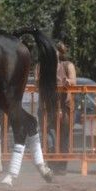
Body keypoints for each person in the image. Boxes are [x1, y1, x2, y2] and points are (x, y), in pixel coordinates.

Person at [35, 41, 77, 175]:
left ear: (59, 53)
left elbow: (73, 82)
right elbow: (36, 84)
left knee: (63, 137)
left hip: (64, 107)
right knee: (47, 137)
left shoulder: (67, 65)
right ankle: (50, 165)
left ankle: (61, 166)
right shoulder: (40, 66)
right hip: (46, 107)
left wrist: (68, 82)